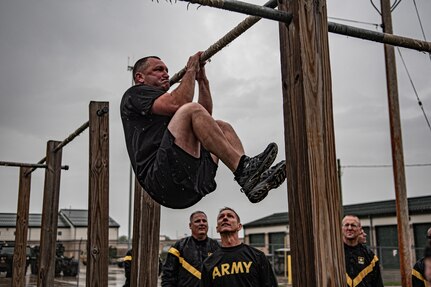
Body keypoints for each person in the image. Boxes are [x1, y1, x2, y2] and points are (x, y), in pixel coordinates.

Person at [120, 52, 286, 209]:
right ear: (140, 77)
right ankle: (244, 169)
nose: (165, 74)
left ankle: (249, 180)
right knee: (190, 109)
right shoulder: (134, 95)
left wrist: (202, 80)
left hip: (193, 183)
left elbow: (203, 117)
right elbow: (180, 104)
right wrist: (191, 69)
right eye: (158, 70)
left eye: (166, 70)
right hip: (163, 180)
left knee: (222, 127)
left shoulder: (169, 110)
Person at [200, 207, 277, 287]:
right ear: (217, 229)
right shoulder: (209, 263)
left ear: (239, 226)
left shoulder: (258, 256)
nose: (225, 218)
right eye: (221, 217)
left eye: (230, 216)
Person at [162, 211, 220, 287]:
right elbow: (168, 277)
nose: (202, 223)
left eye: (204, 221)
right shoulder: (179, 246)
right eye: (197, 221)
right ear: (190, 225)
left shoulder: (217, 247)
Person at [342, 215, 384, 287]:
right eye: (346, 225)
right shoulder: (334, 253)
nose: (349, 228)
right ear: (342, 228)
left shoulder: (370, 256)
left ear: (360, 229)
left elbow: (377, 283)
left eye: (353, 225)